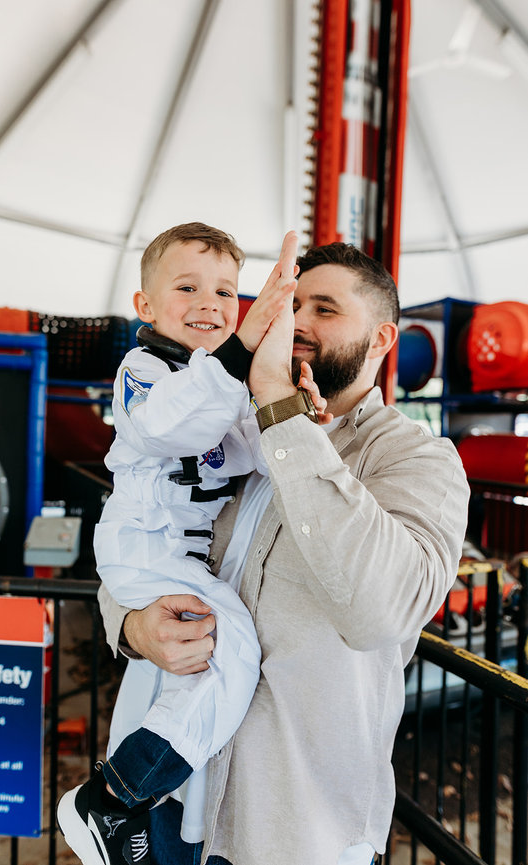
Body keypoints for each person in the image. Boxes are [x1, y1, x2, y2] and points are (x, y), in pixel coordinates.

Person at [98, 239, 470, 865]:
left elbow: (380, 610)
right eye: (292, 304)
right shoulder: (228, 427)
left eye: (324, 309)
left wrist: (282, 412)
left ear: (381, 338)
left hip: (292, 826)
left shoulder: (415, 459)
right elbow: (142, 538)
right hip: (174, 803)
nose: (296, 322)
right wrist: (133, 625)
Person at [58, 223, 319, 865]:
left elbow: (250, 451)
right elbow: (174, 422)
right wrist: (237, 355)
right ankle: (111, 801)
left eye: (227, 291)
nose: (211, 303)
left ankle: (132, 806)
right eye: (188, 286)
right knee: (230, 645)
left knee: (193, 670)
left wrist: (296, 410)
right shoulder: (144, 372)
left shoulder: (216, 382)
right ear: (145, 306)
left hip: (178, 551)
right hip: (146, 542)